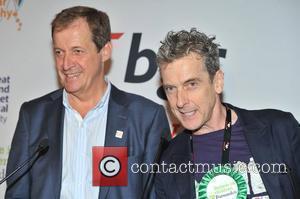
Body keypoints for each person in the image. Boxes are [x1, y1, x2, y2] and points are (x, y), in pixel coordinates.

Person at [5, 6, 170, 199]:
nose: (66, 64)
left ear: (105, 51)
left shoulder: (146, 118)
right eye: (59, 52)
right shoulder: (33, 116)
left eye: (77, 51)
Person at [154, 28, 300, 199]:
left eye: (191, 84)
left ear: (217, 82)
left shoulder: (279, 129)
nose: (180, 101)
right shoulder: (168, 162)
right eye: (171, 88)